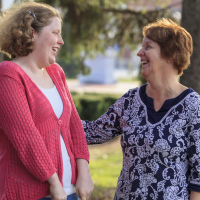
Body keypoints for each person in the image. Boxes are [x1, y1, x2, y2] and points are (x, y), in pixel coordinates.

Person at [82, 18, 200, 200]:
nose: (139, 53)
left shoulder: (192, 105)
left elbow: (198, 175)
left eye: (148, 47)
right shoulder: (130, 100)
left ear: (170, 54)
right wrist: (52, 111)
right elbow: (91, 132)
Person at [0, 2, 93, 200]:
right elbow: (26, 138)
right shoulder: (8, 74)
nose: (61, 41)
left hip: (69, 190)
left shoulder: (56, 73)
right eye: (56, 32)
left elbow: (74, 125)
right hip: (33, 194)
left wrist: (84, 172)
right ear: (32, 33)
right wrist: (54, 183)